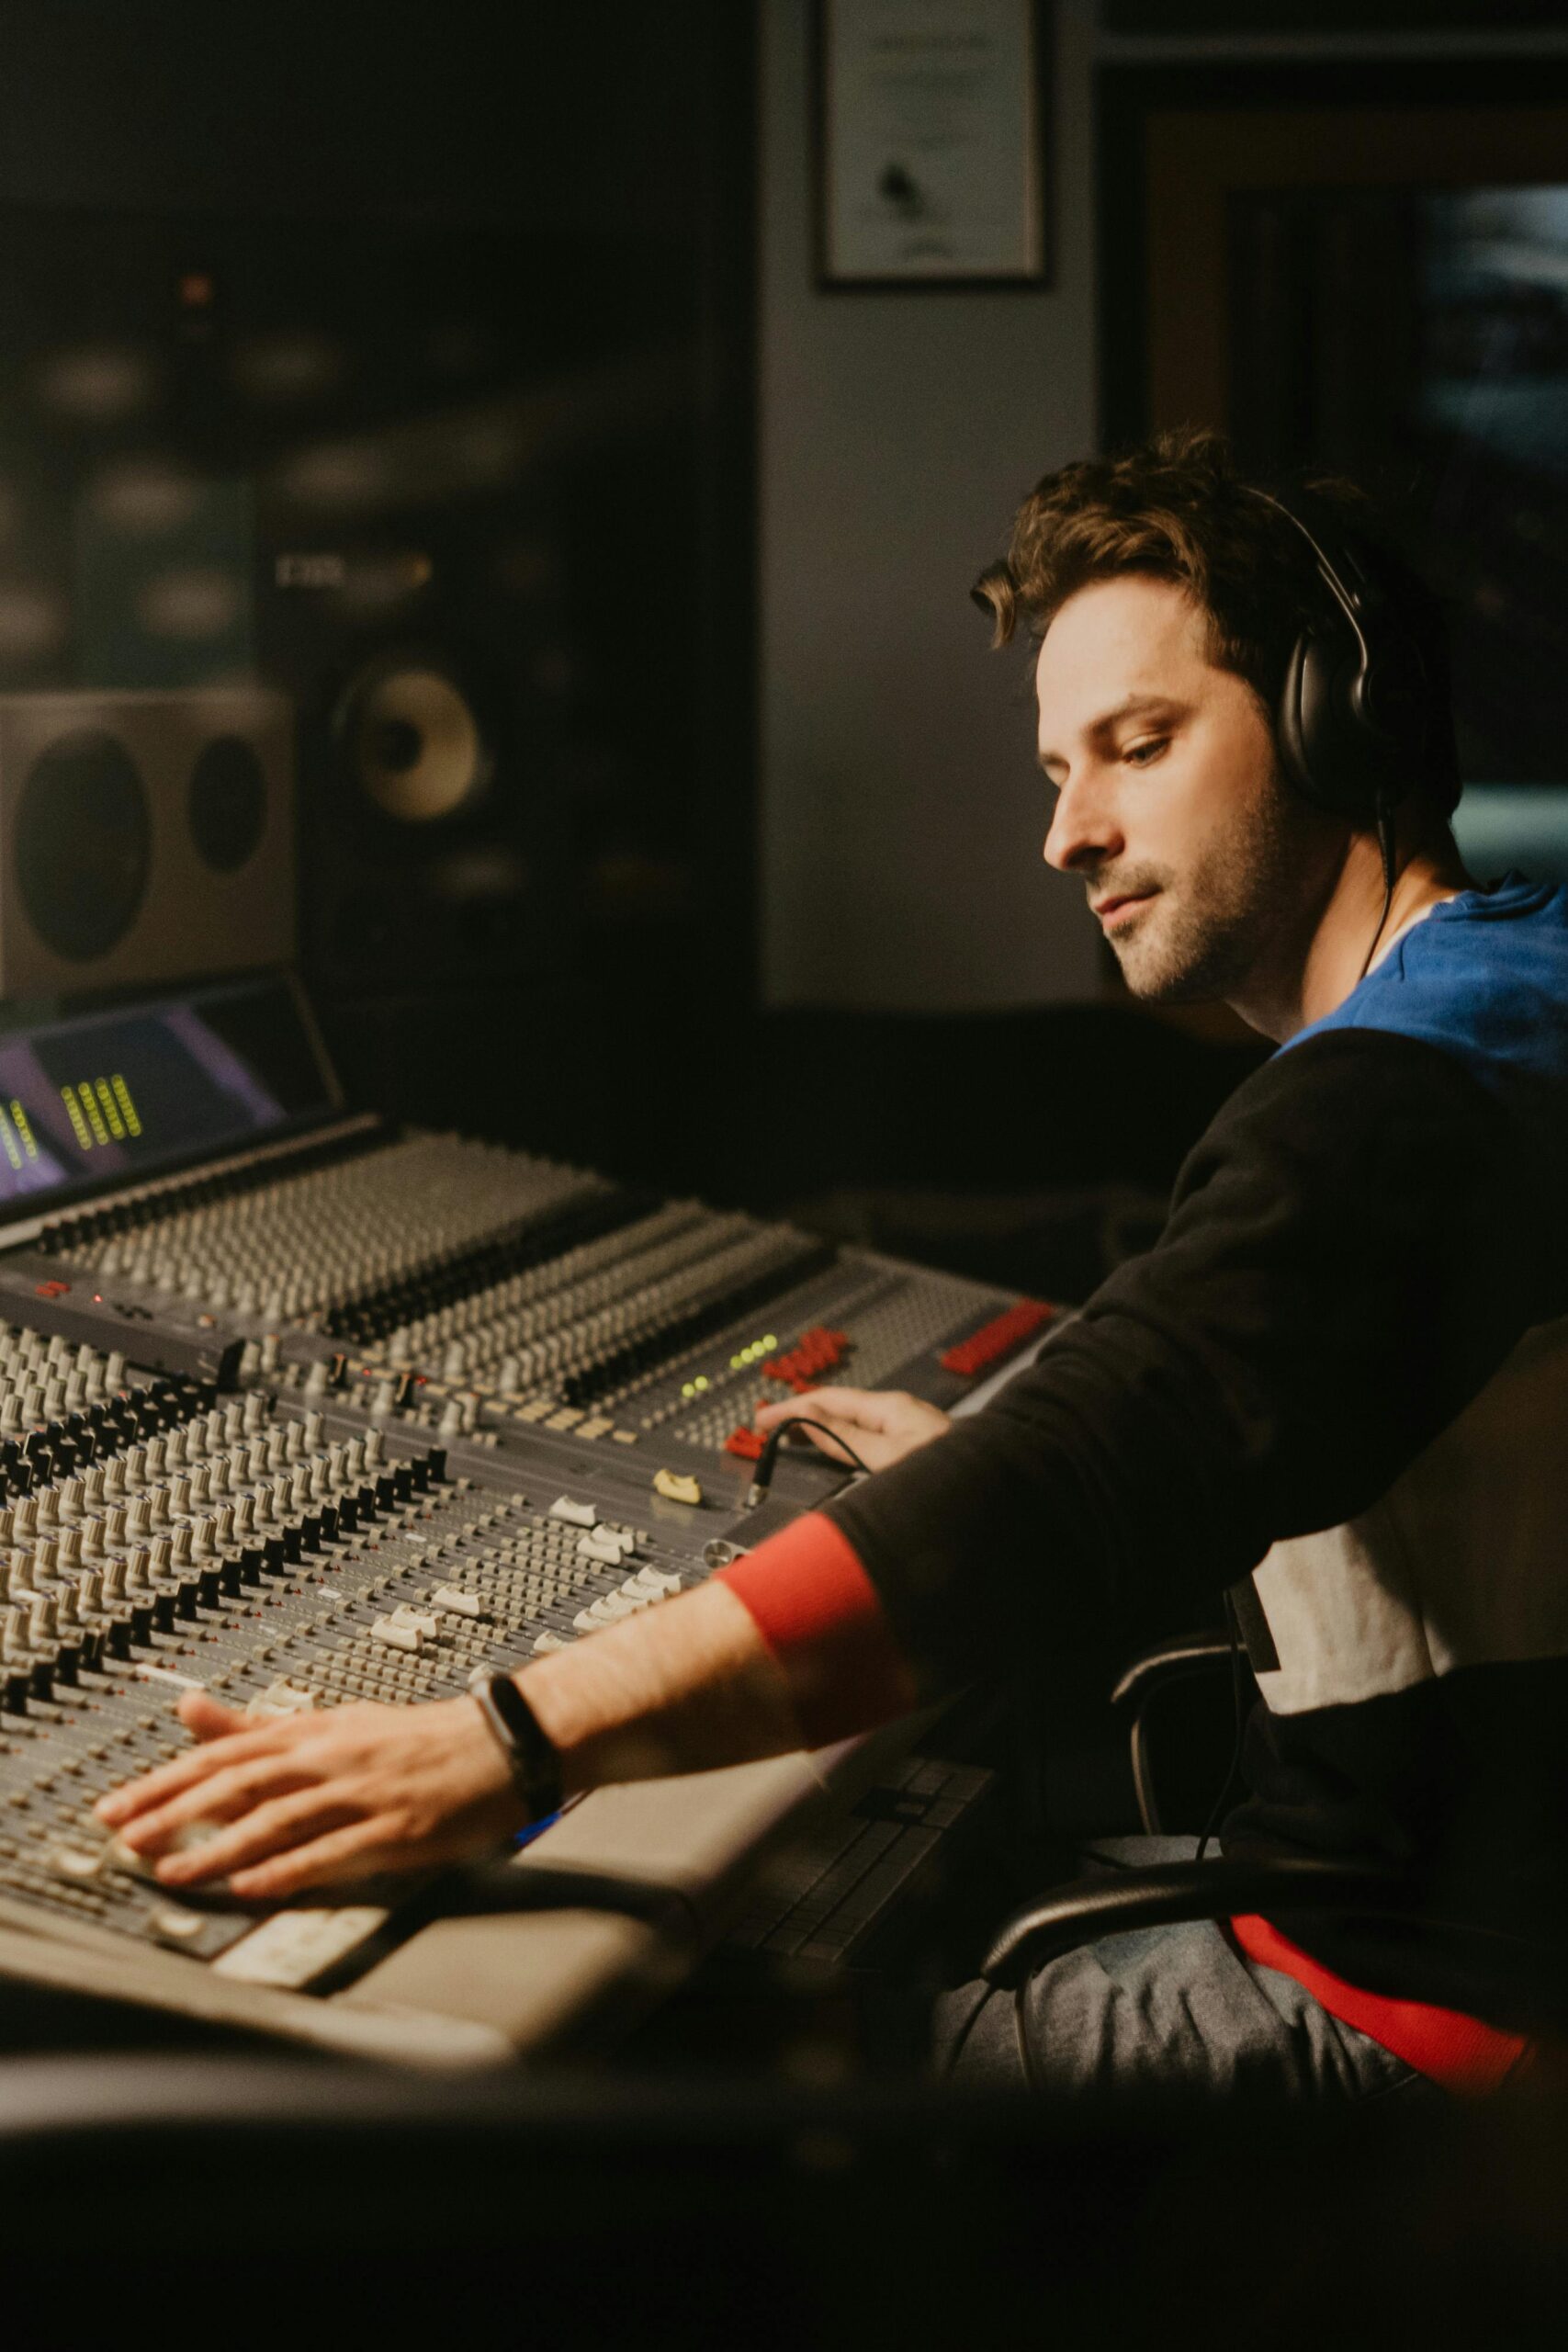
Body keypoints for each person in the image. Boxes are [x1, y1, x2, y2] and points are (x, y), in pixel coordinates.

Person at [96, 429, 1566, 2100]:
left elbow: (1085, 1475)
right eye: (1053, 772)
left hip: (1418, 2018)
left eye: (1138, 747)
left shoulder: (1398, 1100)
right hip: (1408, 1925)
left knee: (696, 2099)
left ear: (1337, 720)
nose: (1068, 835)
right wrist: (990, 1476)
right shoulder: (1499, 1002)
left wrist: (507, 1739)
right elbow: (1257, 1457)